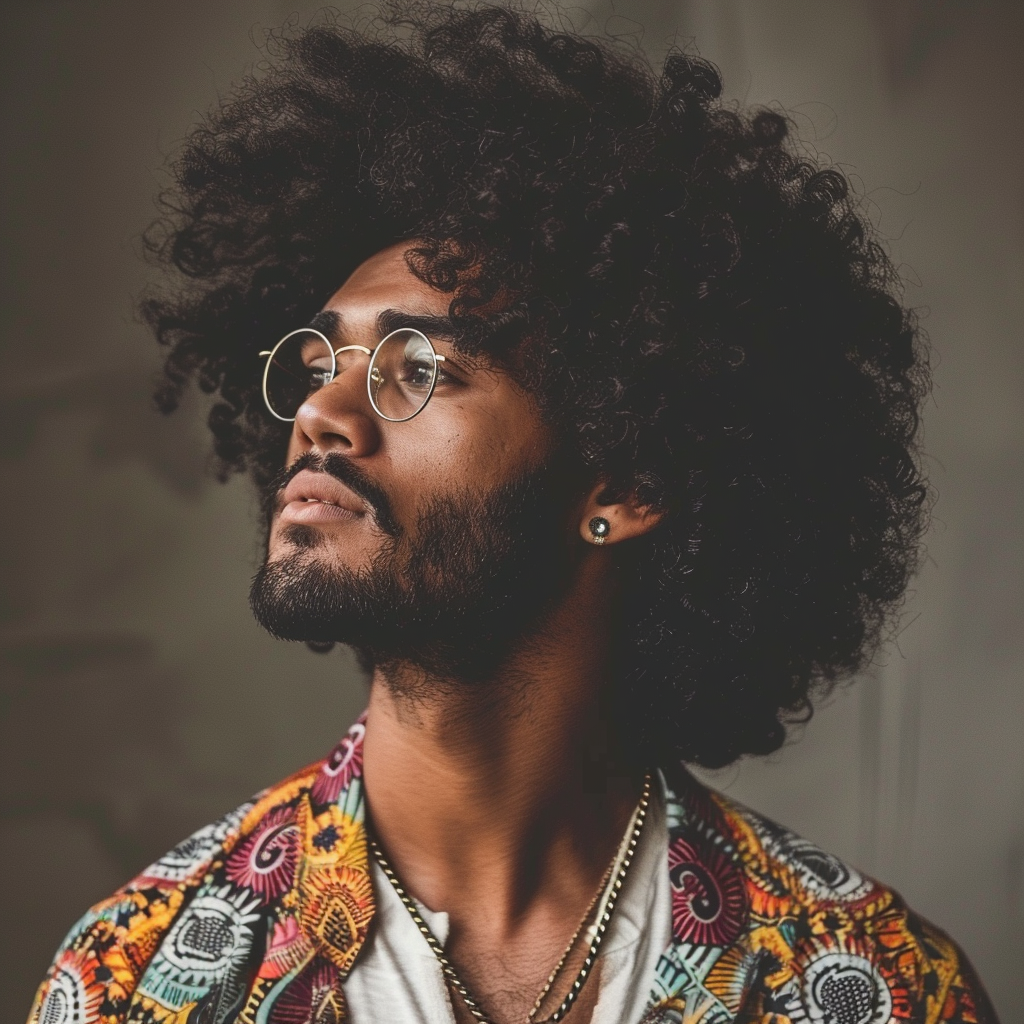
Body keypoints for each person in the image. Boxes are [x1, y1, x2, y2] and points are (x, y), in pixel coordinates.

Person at [28, 5, 998, 1023]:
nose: (320, 411)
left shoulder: (872, 984)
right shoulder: (133, 981)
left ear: (626, 487)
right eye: (318, 363)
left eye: (418, 370)